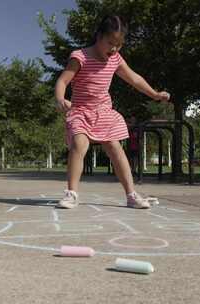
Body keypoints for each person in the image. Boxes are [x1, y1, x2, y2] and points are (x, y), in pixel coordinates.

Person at [54, 15, 170, 209]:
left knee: (115, 148)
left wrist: (155, 93)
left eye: (119, 44)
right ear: (98, 36)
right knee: (79, 144)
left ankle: (131, 195)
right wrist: (59, 97)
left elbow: (135, 79)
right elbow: (62, 81)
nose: (114, 48)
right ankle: (71, 194)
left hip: (104, 112)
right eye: (110, 43)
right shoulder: (80, 57)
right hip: (81, 111)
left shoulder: (115, 59)